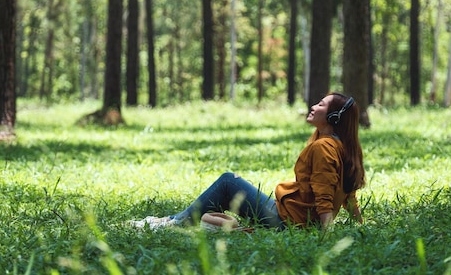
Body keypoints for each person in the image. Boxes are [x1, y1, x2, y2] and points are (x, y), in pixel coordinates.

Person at [127, 92, 365, 230]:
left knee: (228, 181)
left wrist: (323, 237)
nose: (314, 106)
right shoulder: (340, 146)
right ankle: (171, 219)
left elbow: (324, 195)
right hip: (292, 215)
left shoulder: (324, 147)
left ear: (333, 116)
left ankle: (171, 223)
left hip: (285, 220)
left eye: (321, 105)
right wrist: (359, 225)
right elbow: (348, 191)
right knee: (232, 183)